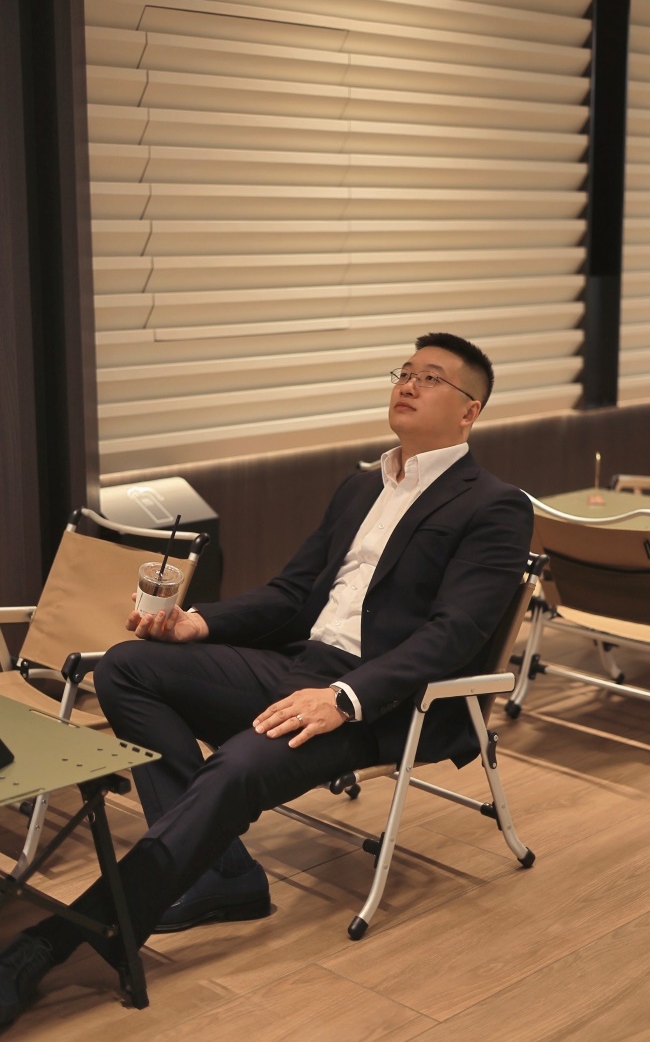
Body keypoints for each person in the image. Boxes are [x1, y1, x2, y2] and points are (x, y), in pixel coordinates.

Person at [0, 332, 533, 1025]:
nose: (408, 383)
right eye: (404, 371)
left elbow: (454, 634)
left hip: (382, 700)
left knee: (236, 769)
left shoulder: (493, 505)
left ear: (470, 411)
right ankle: (221, 871)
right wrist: (198, 624)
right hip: (301, 663)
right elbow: (291, 594)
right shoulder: (361, 485)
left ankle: (52, 943)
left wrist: (346, 698)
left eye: (431, 377)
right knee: (128, 665)